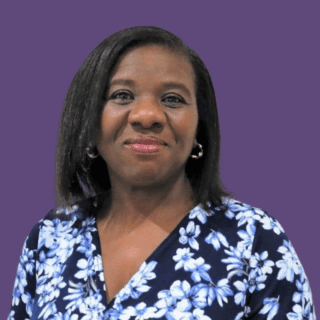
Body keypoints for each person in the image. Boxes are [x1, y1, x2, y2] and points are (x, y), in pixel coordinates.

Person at [8, 26, 316, 320]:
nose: (147, 116)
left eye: (172, 99)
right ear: (89, 121)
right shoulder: (50, 237)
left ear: (199, 130)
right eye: (122, 95)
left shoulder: (254, 239)